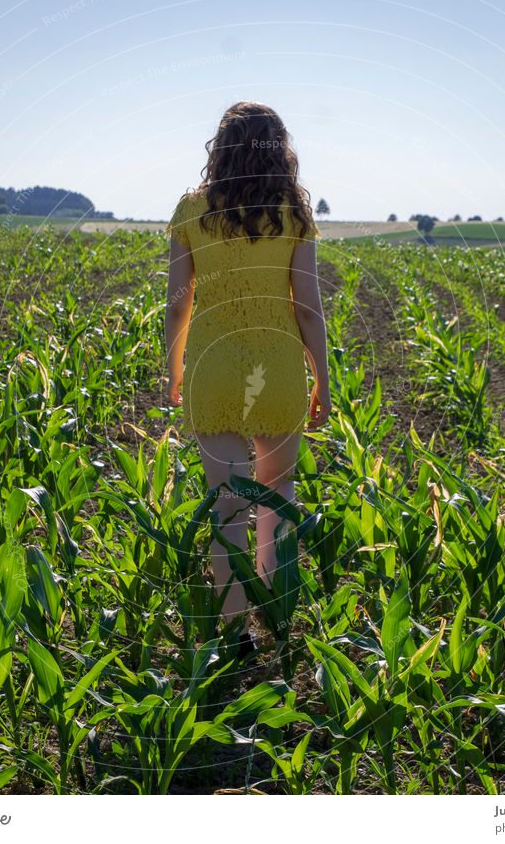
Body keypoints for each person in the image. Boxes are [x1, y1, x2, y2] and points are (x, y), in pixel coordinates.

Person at [164, 101, 331, 657]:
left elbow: (177, 307)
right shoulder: (294, 215)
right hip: (278, 370)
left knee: (227, 506)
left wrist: (174, 370)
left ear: (221, 150)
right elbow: (307, 308)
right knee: (277, 495)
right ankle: (277, 613)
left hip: (213, 371)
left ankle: (233, 633)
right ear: (279, 151)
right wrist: (322, 381)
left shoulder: (191, 212)